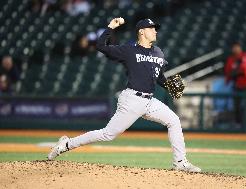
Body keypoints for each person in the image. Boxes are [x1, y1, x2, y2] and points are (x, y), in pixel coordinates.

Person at [48, 17, 201, 172]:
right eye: (151, 28)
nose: (155, 31)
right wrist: (110, 28)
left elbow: (159, 77)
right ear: (141, 32)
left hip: (150, 101)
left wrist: (169, 86)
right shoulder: (129, 50)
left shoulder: (158, 53)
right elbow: (101, 46)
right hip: (132, 100)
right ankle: (66, 144)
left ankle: (180, 162)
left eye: (155, 28)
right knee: (107, 135)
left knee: (174, 120)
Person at [224, 42, 246, 128]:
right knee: (236, 107)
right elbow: (228, 72)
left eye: (237, 47)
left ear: (240, 48)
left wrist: (234, 72)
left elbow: (243, 68)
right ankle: (238, 126)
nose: (235, 49)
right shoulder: (231, 59)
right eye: (234, 47)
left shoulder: (245, 55)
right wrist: (233, 74)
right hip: (236, 86)